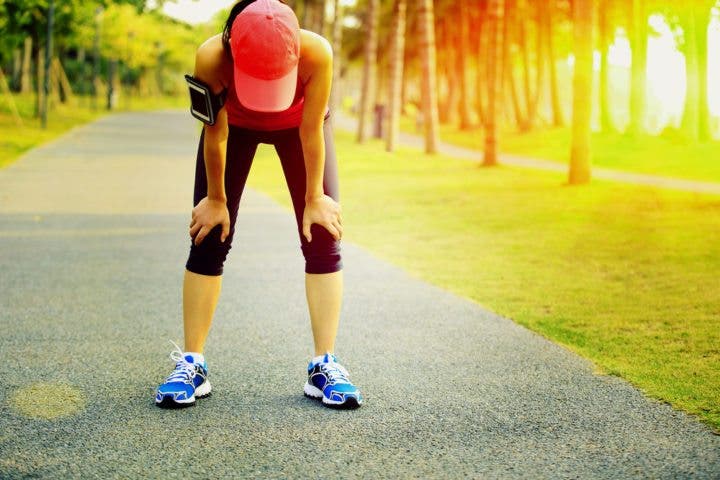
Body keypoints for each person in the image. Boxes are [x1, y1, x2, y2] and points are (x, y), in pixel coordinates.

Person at [154, 0, 362, 409]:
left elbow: (312, 131)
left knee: (322, 230)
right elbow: (215, 136)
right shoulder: (211, 57)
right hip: (237, 126)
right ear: (232, 47)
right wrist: (215, 199)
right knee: (208, 233)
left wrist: (315, 197)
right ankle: (192, 364)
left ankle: (324, 365)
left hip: (298, 126)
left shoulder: (316, 51)